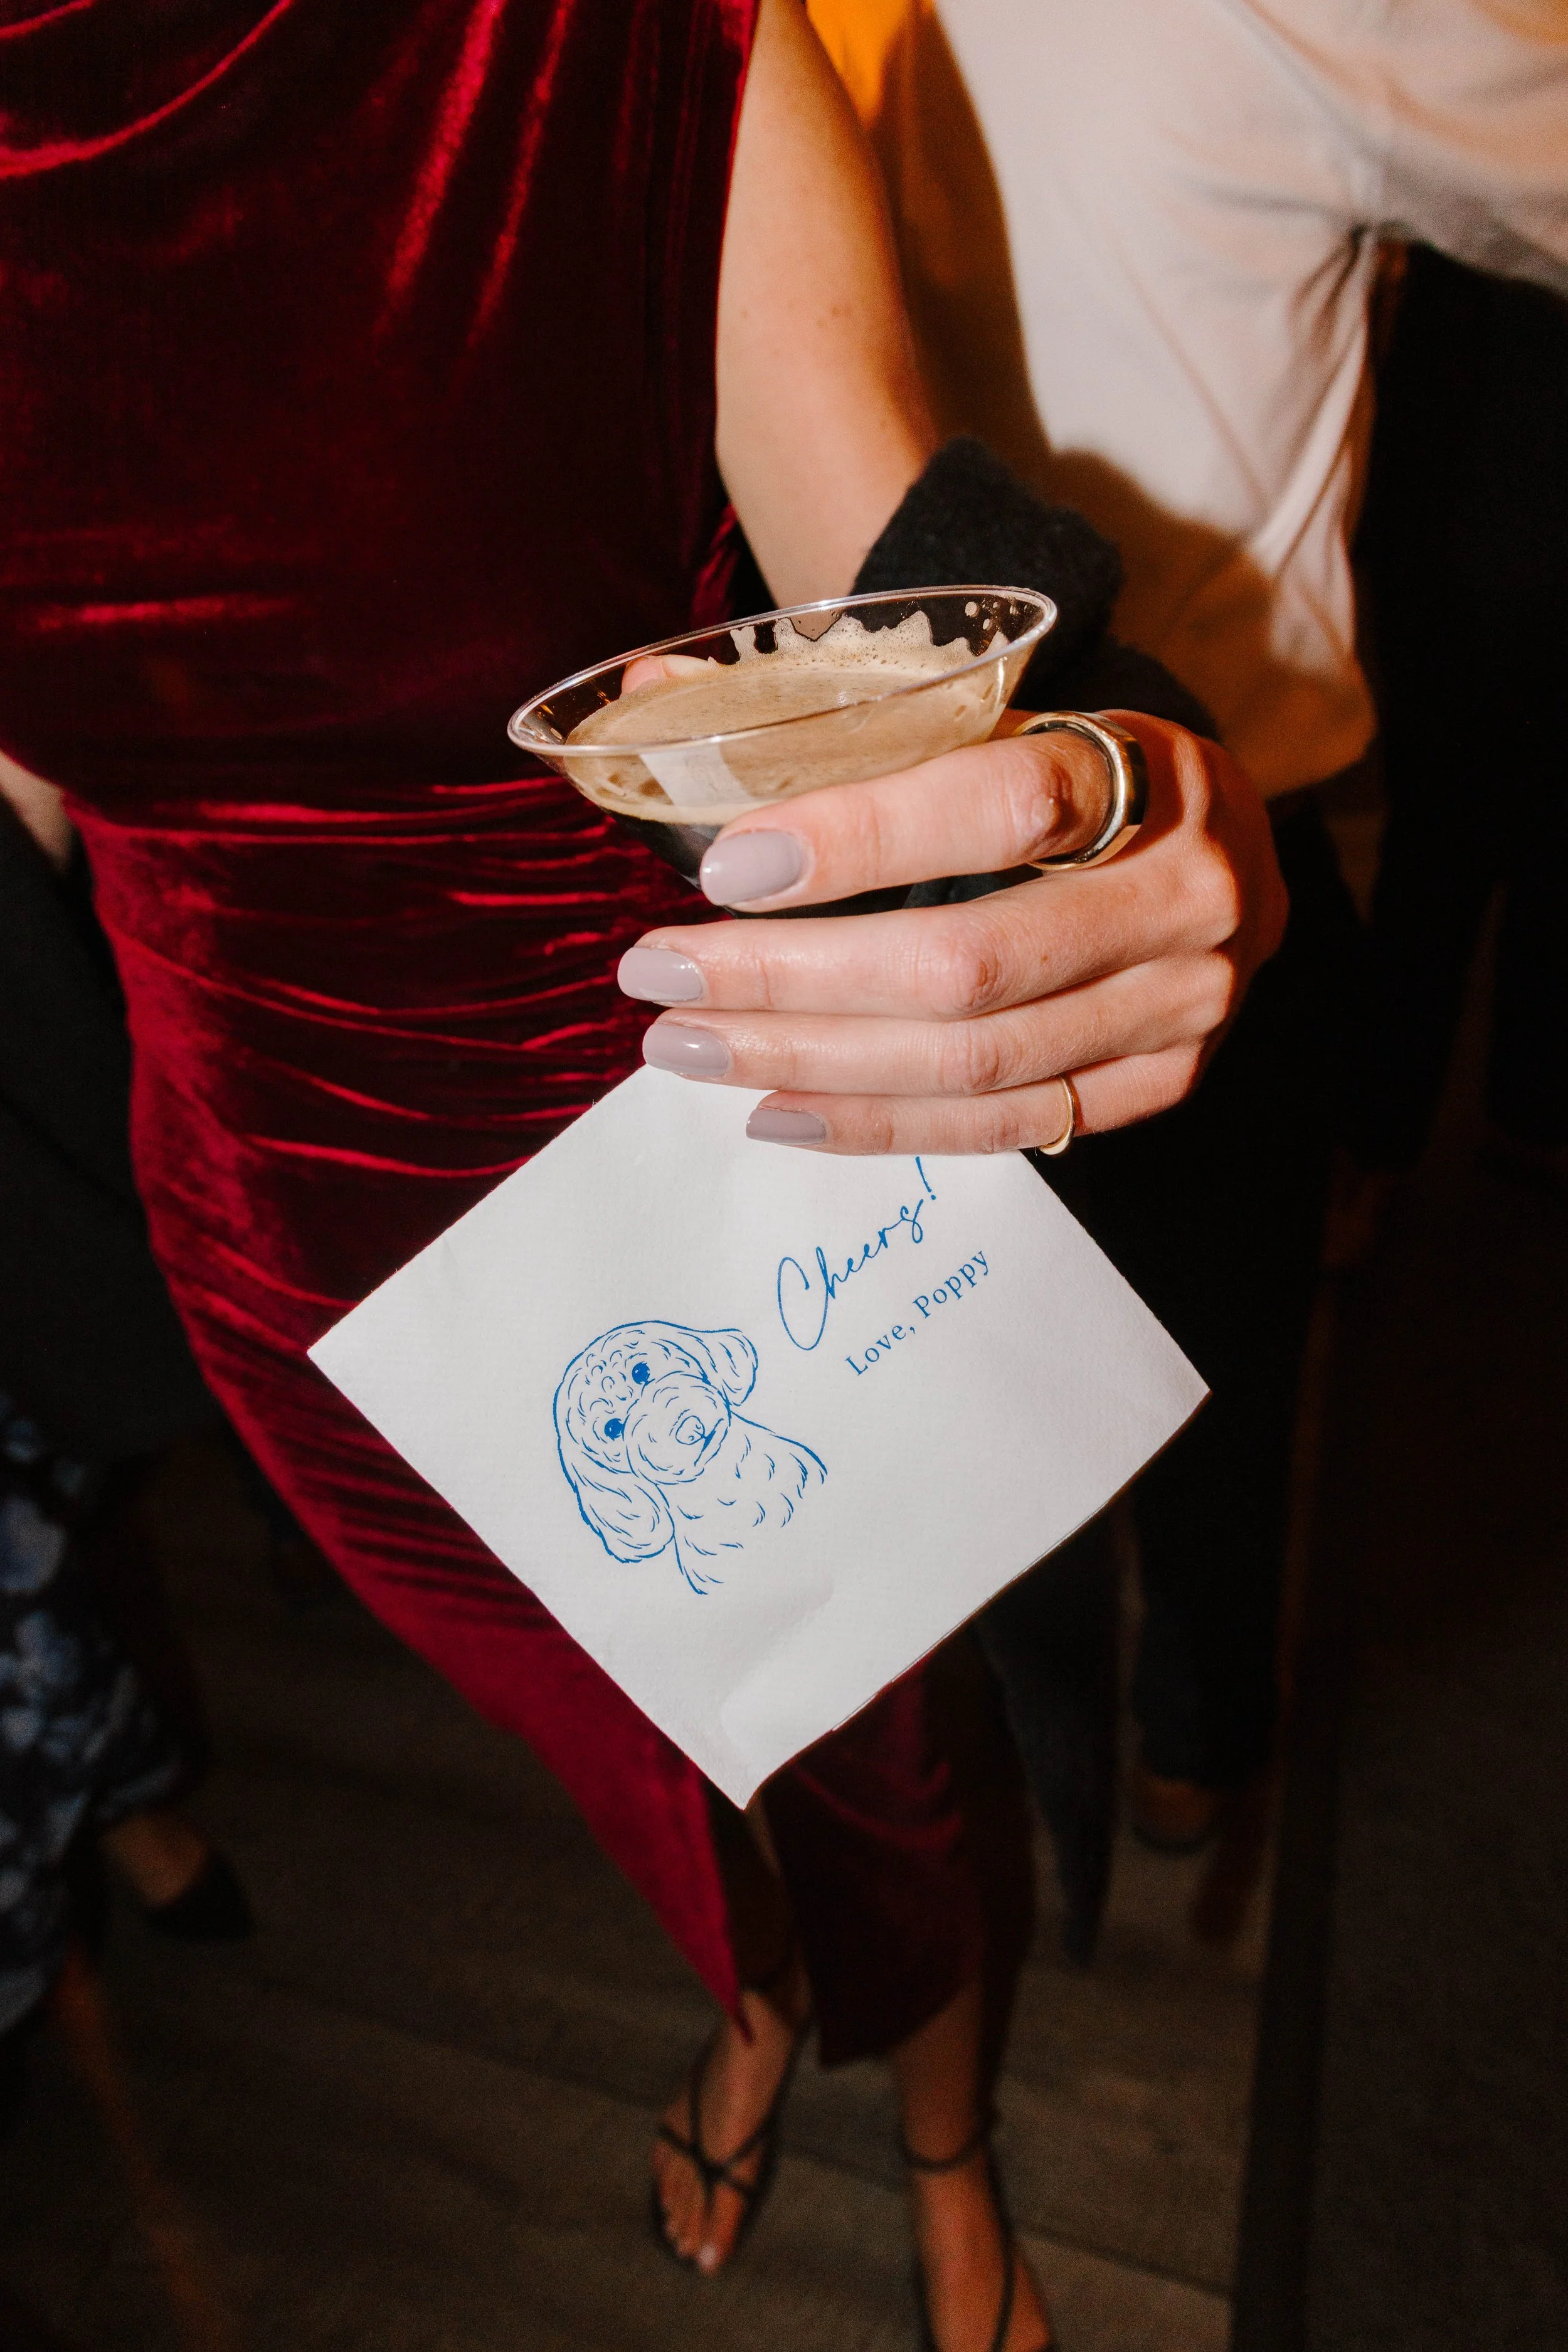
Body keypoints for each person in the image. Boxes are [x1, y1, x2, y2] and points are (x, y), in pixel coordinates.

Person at [0, 5, 1286, 2343]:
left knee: (878, 1744)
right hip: (295, 1240)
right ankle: (759, 1996)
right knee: (637, 1750)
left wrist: (1136, 792)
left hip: (694, 1137)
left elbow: (918, 605)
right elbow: (57, 812)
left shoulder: (566, 42)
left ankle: (948, 2140)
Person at [802, 0, 1568, 1865]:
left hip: (887, 821)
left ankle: (1072, 1733)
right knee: (1210, 1374)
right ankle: (1189, 1747)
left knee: (979, 1358)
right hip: (1196, 833)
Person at [1343, 245, 1568, 1225]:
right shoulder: (1478, 139)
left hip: (1467, 520)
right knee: (1441, 845)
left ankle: (1526, 1114)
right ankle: (1374, 1146)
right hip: (1462, 539)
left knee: (1545, 849)